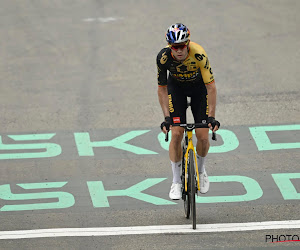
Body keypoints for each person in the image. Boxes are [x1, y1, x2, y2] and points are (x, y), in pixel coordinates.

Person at [157, 23, 220, 200]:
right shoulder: (163, 58)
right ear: (170, 46)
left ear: (188, 43)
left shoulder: (199, 53)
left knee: (202, 135)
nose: (179, 50)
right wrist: (166, 118)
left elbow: (211, 87)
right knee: (176, 133)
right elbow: (162, 89)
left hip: (199, 89)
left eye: (182, 46)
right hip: (176, 89)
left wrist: (212, 117)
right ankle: (176, 181)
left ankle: (200, 171)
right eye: (175, 47)